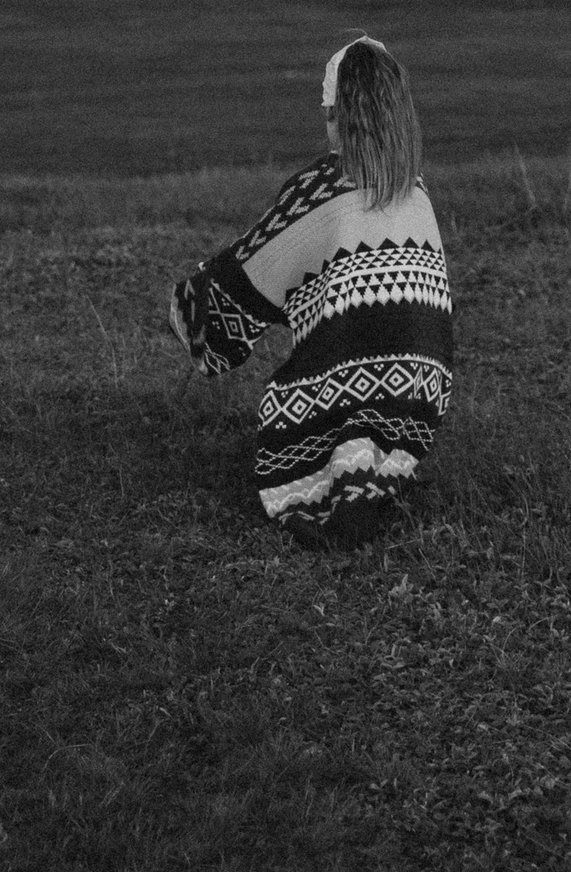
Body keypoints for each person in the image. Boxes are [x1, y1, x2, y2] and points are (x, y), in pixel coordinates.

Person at [170, 37, 453, 546]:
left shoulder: (322, 186)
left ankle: (337, 467)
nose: (326, 127)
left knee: (303, 407)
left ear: (339, 115)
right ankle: (382, 466)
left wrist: (191, 303)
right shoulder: (415, 190)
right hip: (420, 398)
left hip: (353, 385)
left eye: (328, 115)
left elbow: (247, 274)